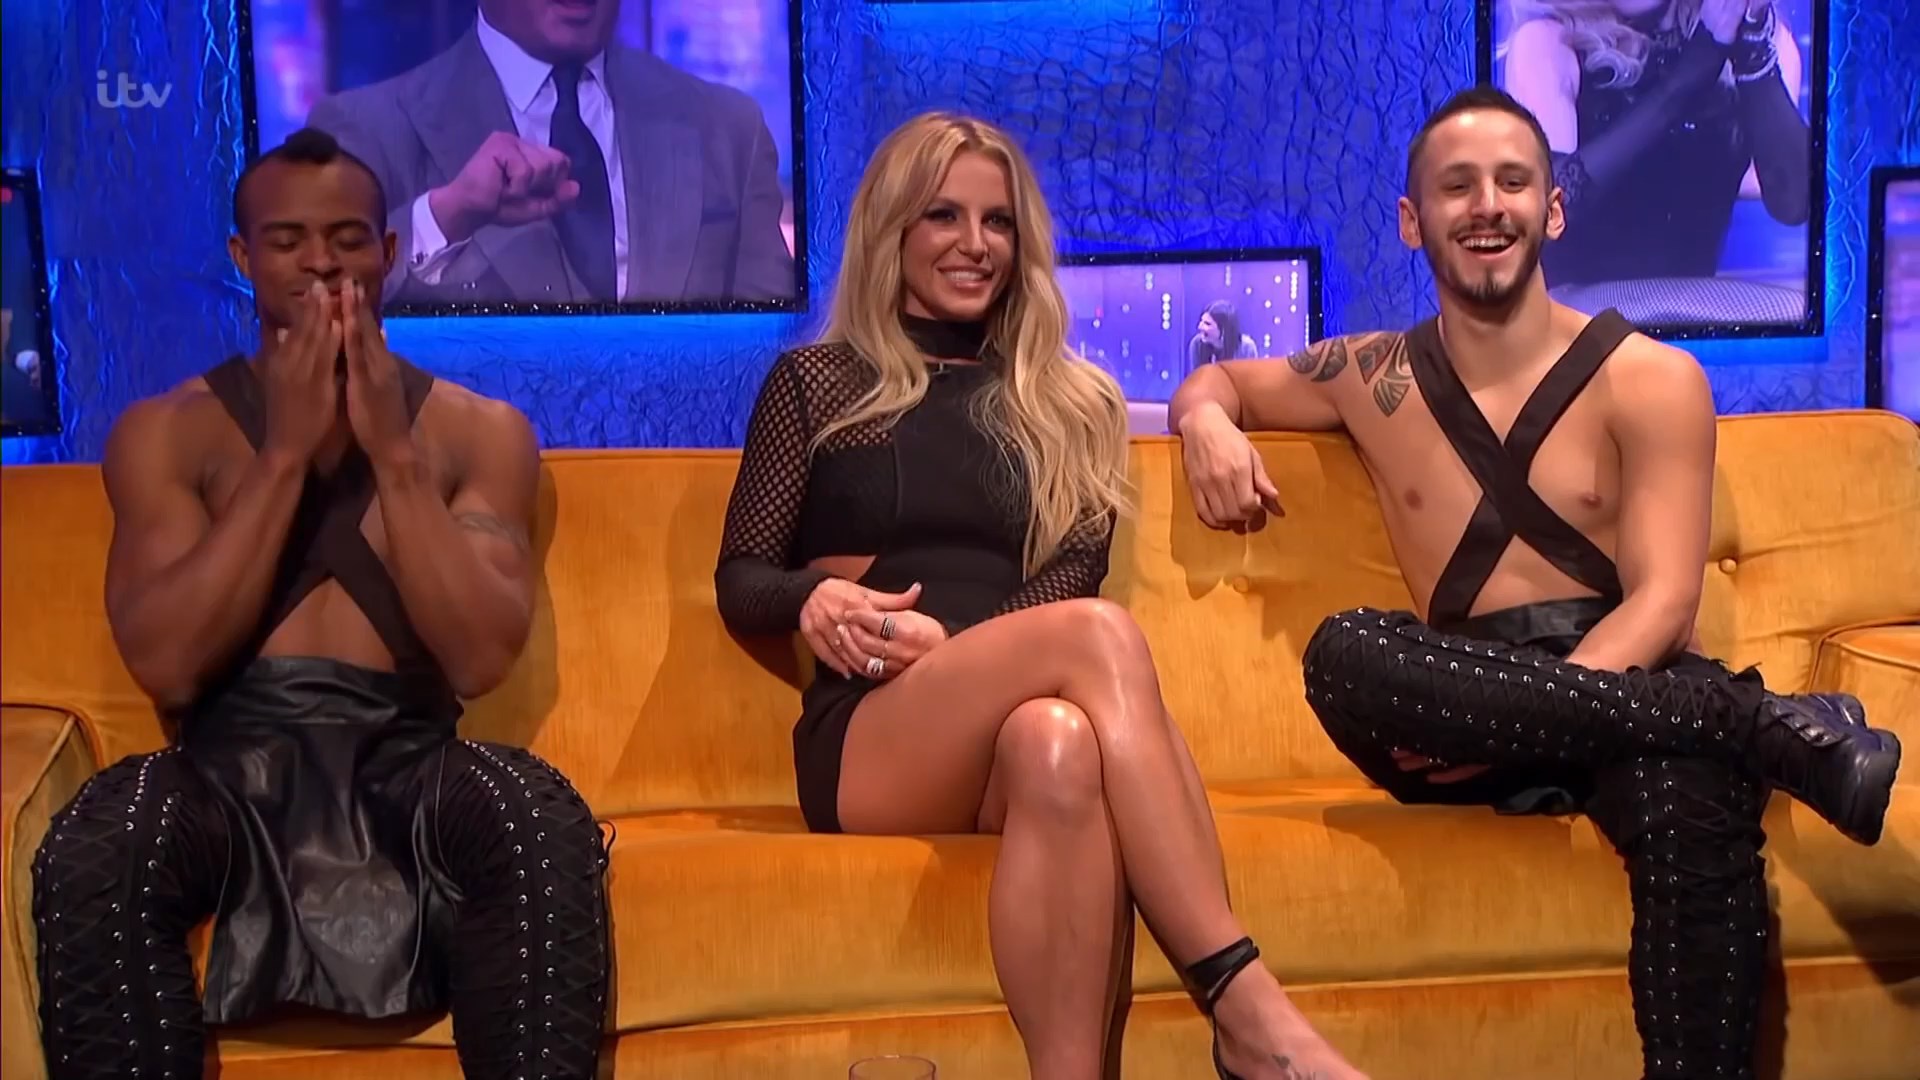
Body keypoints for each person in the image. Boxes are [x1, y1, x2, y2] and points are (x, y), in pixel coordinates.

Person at [1169, 86, 1901, 1080]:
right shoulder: (1366, 374)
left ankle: (1723, 744)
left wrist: (1540, 721)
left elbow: (1664, 604)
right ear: (1411, 220)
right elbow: (1220, 381)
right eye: (1457, 186)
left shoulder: (1654, 379)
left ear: (1552, 210)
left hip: (1628, 675)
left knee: (1692, 800)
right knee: (1345, 653)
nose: (1487, 205)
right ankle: (1761, 725)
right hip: (1456, 704)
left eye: (1513, 182)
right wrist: (1205, 422)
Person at [713, 111, 1366, 1080]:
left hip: (1004, 713)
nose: (975, 244)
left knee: (1056, 744)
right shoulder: (818, 383)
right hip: (878, 731)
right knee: (1098, 636)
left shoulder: (1072, 400)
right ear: (892, 228)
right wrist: (811, 598)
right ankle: (1242, 1003)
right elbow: (741, 577)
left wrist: (959, 650)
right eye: (944, 215)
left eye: (999, 222)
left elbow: (1072, 575)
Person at [29, 129, 611, 1080]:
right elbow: (167, 665)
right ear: (242, 256)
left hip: (411, 765)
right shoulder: (164, 433)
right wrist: (284, 456)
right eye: (288, 240)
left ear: (390, 252)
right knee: (104, 837)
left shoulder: (483, 432)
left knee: (535, 818)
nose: (320, 264)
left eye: (347, 239)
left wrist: (394, 456)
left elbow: (478, 660)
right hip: (224, 772)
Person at [306, 0, 793, 305]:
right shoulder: (365, 130)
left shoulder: (728, 129)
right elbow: (316, 309)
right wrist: (445, 217)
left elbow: (774, 356)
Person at [1501, 0, 1810, 287]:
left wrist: (1751, 49)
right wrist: (1693, 70)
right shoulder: (1547, 43)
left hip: (1688, 314)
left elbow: (1793, 204)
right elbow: (1553, 208)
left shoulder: (1762, 39)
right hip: (1579, 317)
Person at [1189, 300, 1260, 368]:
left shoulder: (1246, 347)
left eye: (1207, 324)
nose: (1200, 327)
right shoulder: (1197, 344)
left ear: (1223, 330)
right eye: (1201, 321)